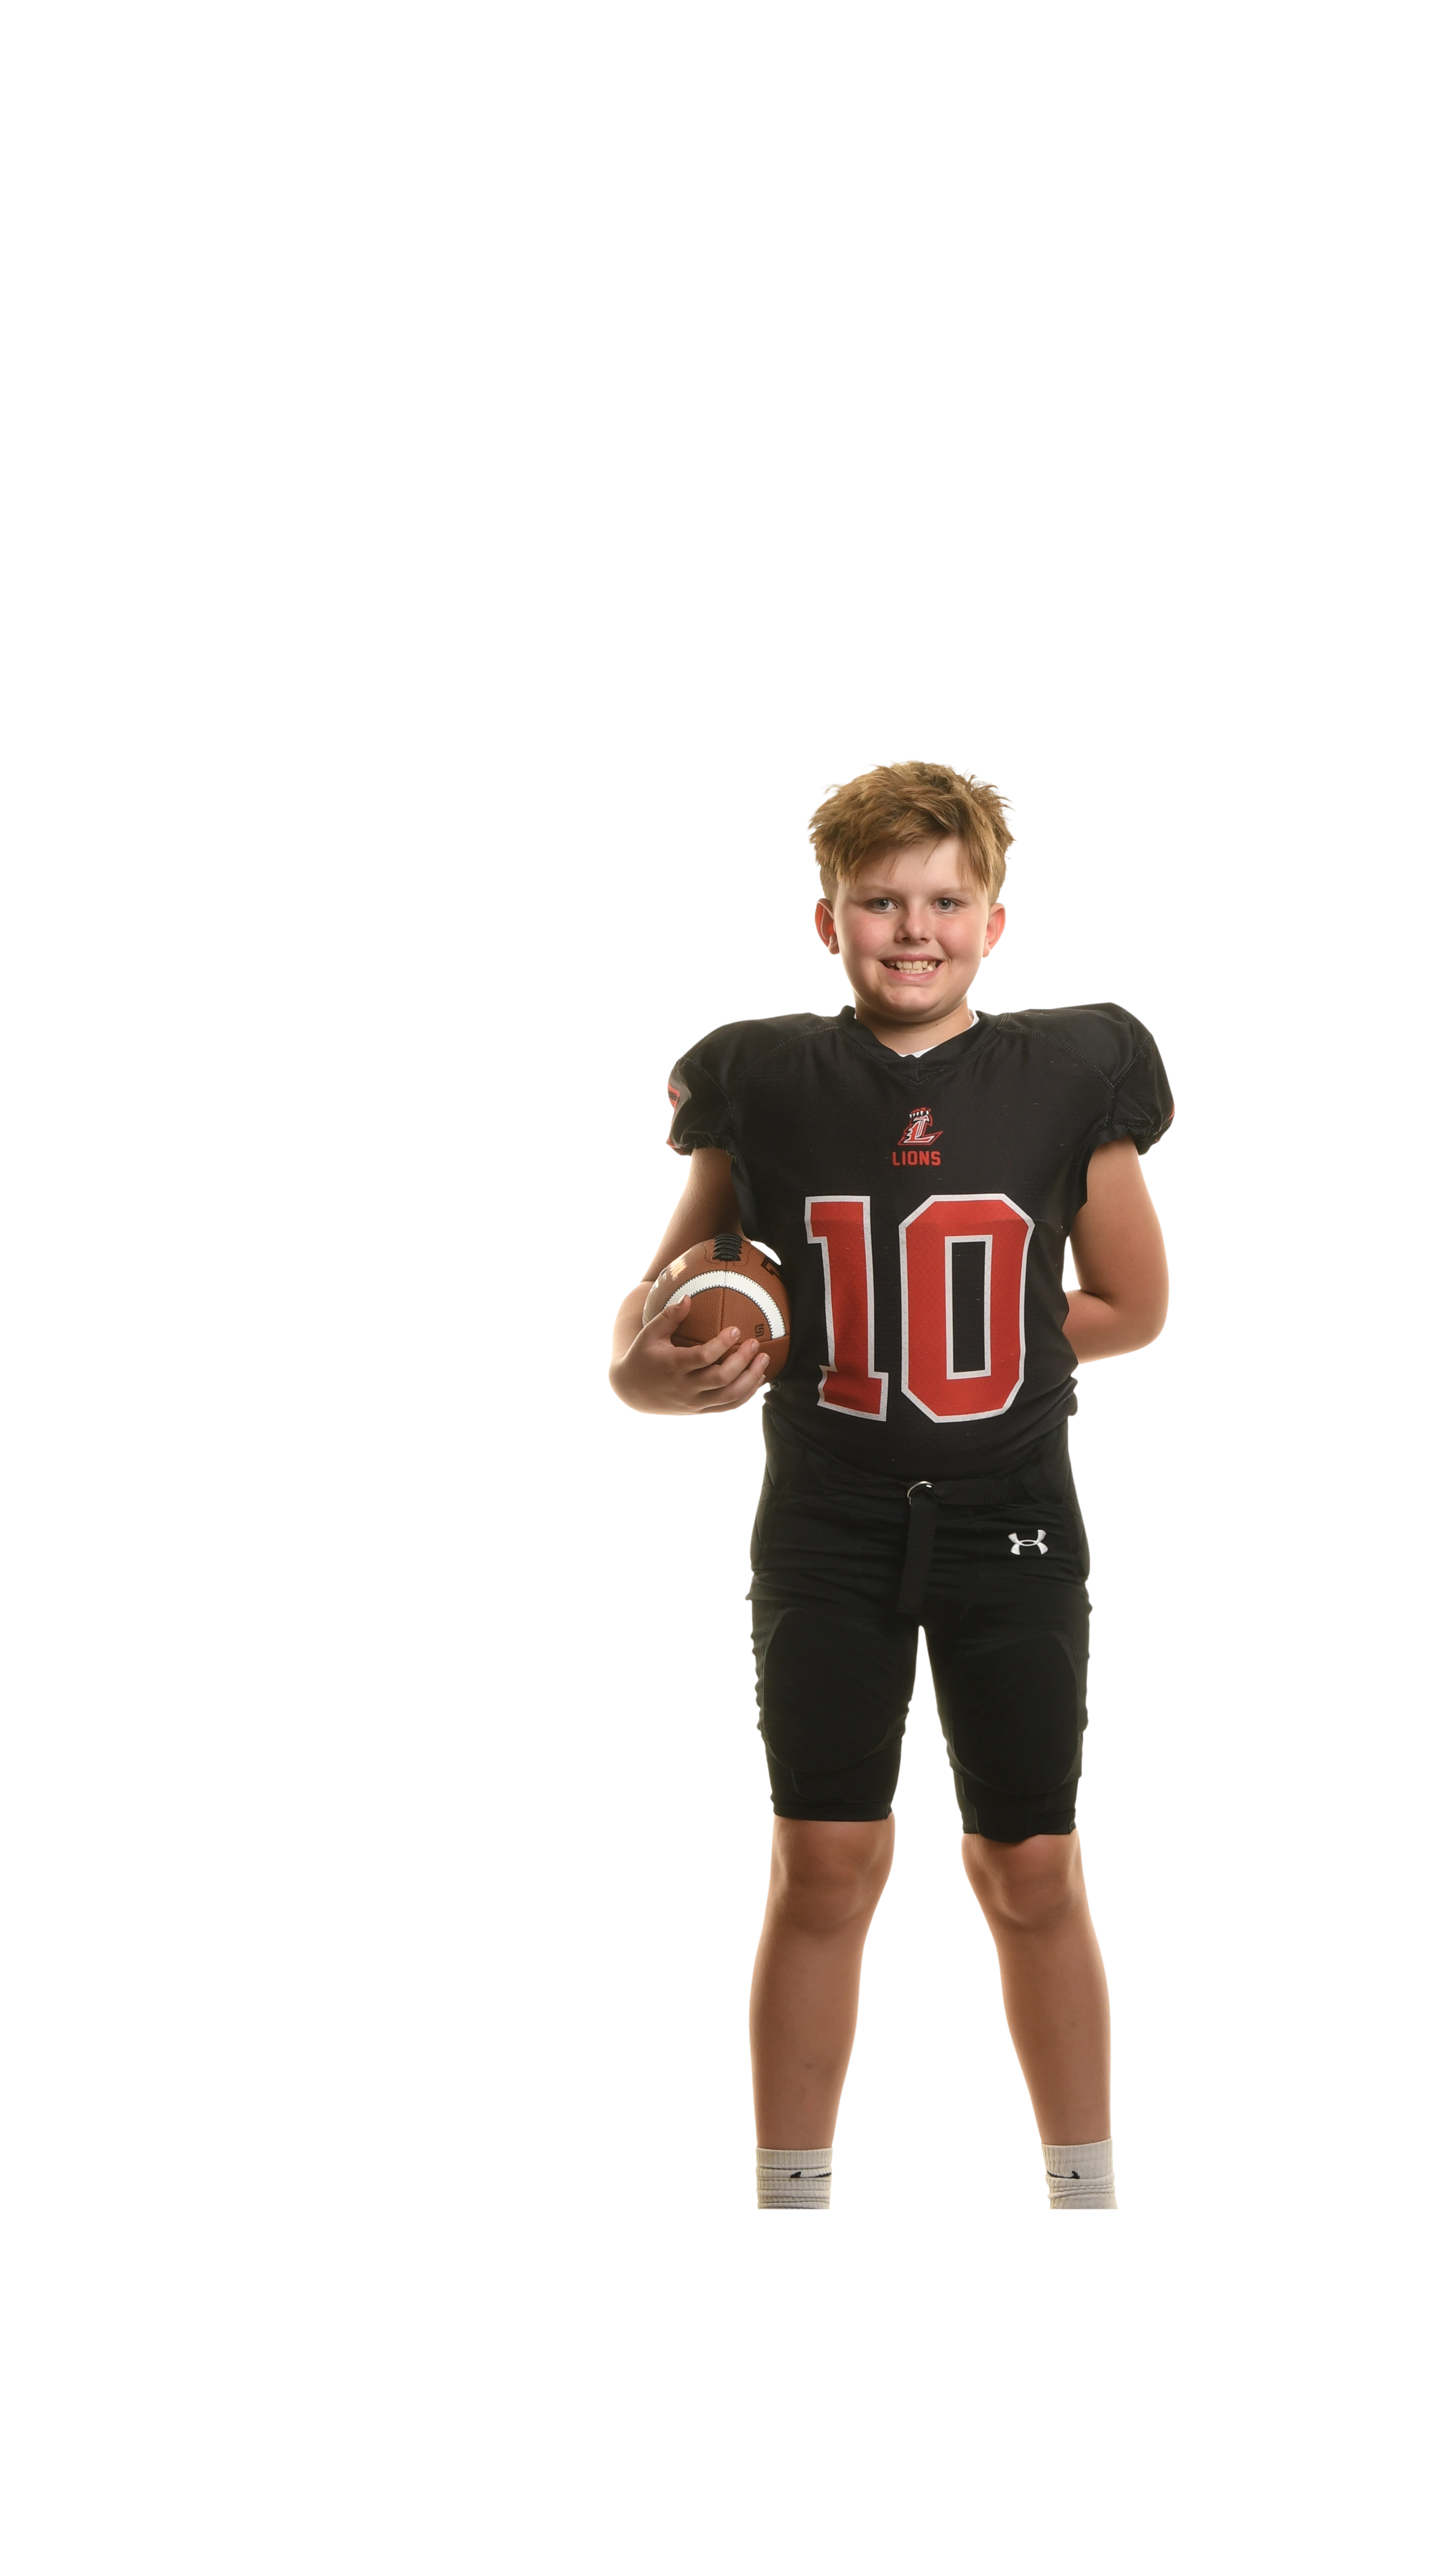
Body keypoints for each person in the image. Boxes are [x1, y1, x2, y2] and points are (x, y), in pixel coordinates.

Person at [609, 759, 1172, 2209]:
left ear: (995, 921)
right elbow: (656, 1303)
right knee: (823, 1863)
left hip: (1014, 1518)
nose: (913, 930)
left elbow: (1132, 1302)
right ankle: (790, 2207)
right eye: (878, 902)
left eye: (945, 901)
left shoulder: (1071, 1069)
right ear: (829, 920)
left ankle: (1087, 2202)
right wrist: (643, 1372)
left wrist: (970, 1337)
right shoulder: (764, 1076)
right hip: (827, 1522)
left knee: (1032, 1869)